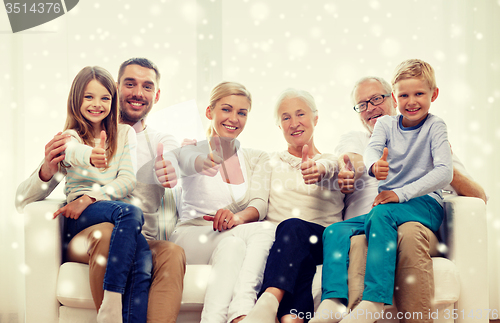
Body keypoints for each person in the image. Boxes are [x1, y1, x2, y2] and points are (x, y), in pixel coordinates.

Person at [16, 58, 186, 323]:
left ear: (157, 94)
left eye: (147, 86)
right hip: (90, 235)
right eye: (130, 84)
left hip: (139, 237)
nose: (138, 93)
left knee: (172, 253)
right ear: (117, 88)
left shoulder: (159, 141)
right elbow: (22, 199)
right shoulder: (75, 137)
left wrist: (173, 168)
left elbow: (176, 159)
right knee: (105, 232)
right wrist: (48, 170)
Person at [312, 71, 486, 323]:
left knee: (405, 229)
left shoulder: (432, 131)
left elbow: (478, 195)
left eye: (376, 99)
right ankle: (333, 304)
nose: (370, 108)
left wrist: (444, 161)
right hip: (374, 218)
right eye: (362, 104)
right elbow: (356, 158)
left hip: (414, 216)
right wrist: (362, 167)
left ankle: (376, 305)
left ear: (391, 100)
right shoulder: (362, 137)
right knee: (337, 231)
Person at [44, 65, 150, 323]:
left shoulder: (124, 133)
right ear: (76, 99)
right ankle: (111, 304)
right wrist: (89, 155)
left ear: (113, 102)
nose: (97, 104)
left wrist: (91, 196)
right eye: (88, 97)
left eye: (105, 98)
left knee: (143, 254)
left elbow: (127, 180)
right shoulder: (69, 136)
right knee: (132, 212)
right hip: (80, 218)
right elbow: (71, 151)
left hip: (103, 208)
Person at [169, 81, 275, 323]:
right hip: (191, 236)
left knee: (234, 247)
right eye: (226, 109)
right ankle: (243, 310)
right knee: (265, 230)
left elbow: (259, 204)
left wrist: (236, 218)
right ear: (210, 112)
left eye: (242, 112)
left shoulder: (256, 157)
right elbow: (182, 163)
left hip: (229, 236)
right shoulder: (191, 149)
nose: (234, 118)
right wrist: (197, 161)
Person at [241, 88, 344, 323]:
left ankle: (268, 302)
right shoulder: (268, 161)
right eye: (286, 117)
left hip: (323, 239)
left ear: (315, 119)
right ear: (279, 126)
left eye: (300, 114)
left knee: (293, 228)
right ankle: (292, 319)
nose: (294, 123)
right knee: (299, 259)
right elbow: (256, 202)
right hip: (284, 246)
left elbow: (330, 168)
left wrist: (317, 170)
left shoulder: (333, 161)